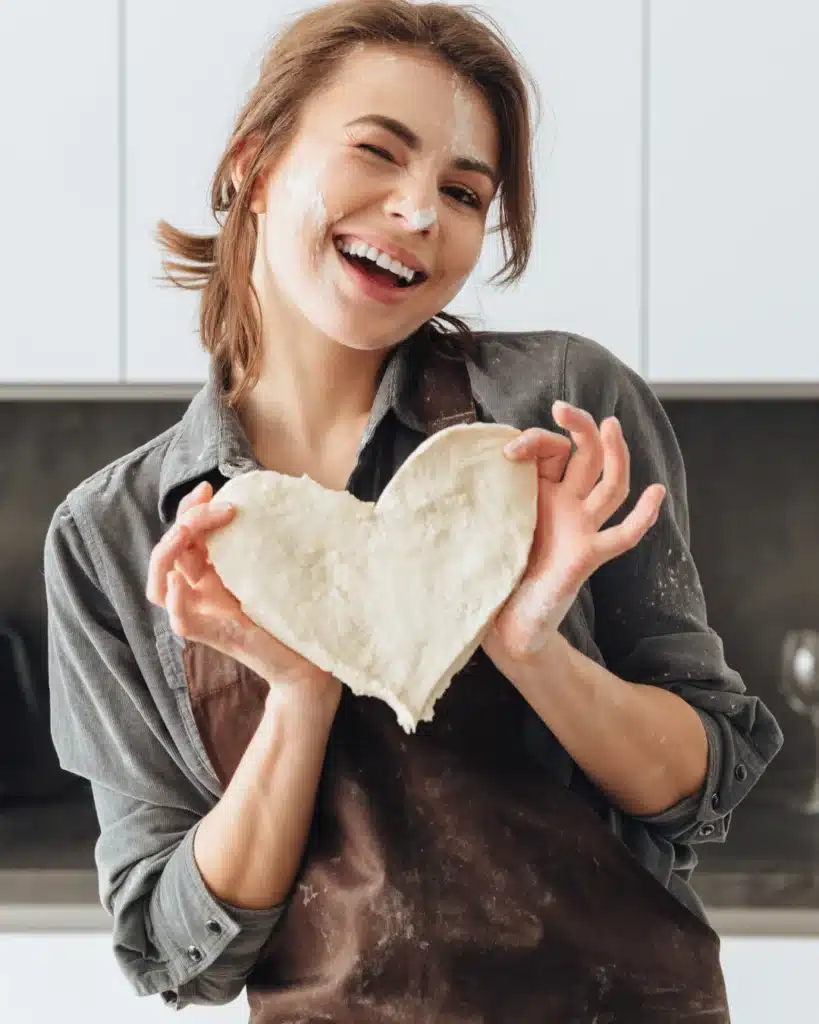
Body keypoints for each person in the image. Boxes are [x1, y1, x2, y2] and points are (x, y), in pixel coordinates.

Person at [44, 1, 783, 1020]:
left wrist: (531, 645)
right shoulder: (112, 536)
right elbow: (180, 952)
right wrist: (298, 690)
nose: (420, 211)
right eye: (376, 154)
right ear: (253, 168)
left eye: (463, 192)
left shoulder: (559, 413)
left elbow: (703, 783)